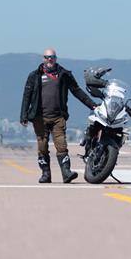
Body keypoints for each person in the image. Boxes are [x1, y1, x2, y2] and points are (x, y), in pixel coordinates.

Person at [20, 48, 97, 183]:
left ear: (56, 58)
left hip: (58, 117)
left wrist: (92, 105)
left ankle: (66, 173)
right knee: (42, 146)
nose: (49, 59)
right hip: (39, 117)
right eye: (47, 57)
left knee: (61, 145)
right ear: (43, 59)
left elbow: (77, 91)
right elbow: (27, 96)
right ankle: (45, 174)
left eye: (52, 57)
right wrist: (24, 115)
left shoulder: (64, 74)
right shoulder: (34, 76)